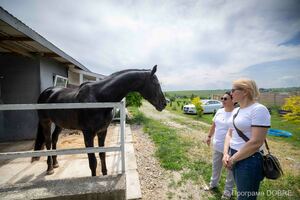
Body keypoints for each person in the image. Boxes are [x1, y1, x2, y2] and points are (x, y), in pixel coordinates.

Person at [223, 78, 271, 200]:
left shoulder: (259, 109)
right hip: (234, 154)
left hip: (249, 158)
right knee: (241, 193)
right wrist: (225, 154)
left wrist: (233, 159)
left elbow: (256, 142)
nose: (231, 93)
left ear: (245, 91)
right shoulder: (237, 110)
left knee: (245, 197)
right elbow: (230, 133)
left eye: (233, 90)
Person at [205, 92, 235, 199]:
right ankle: (213, 184)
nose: (222, 100)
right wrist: (209, 136)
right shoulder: (219, 111)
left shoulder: (236, 113)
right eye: (222, 98)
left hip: (231, 148)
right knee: (215, 166)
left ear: (233, 100)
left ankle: (228, 192)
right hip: (217, 145)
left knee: (230, 170)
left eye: (225, 99)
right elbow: (214, 125)